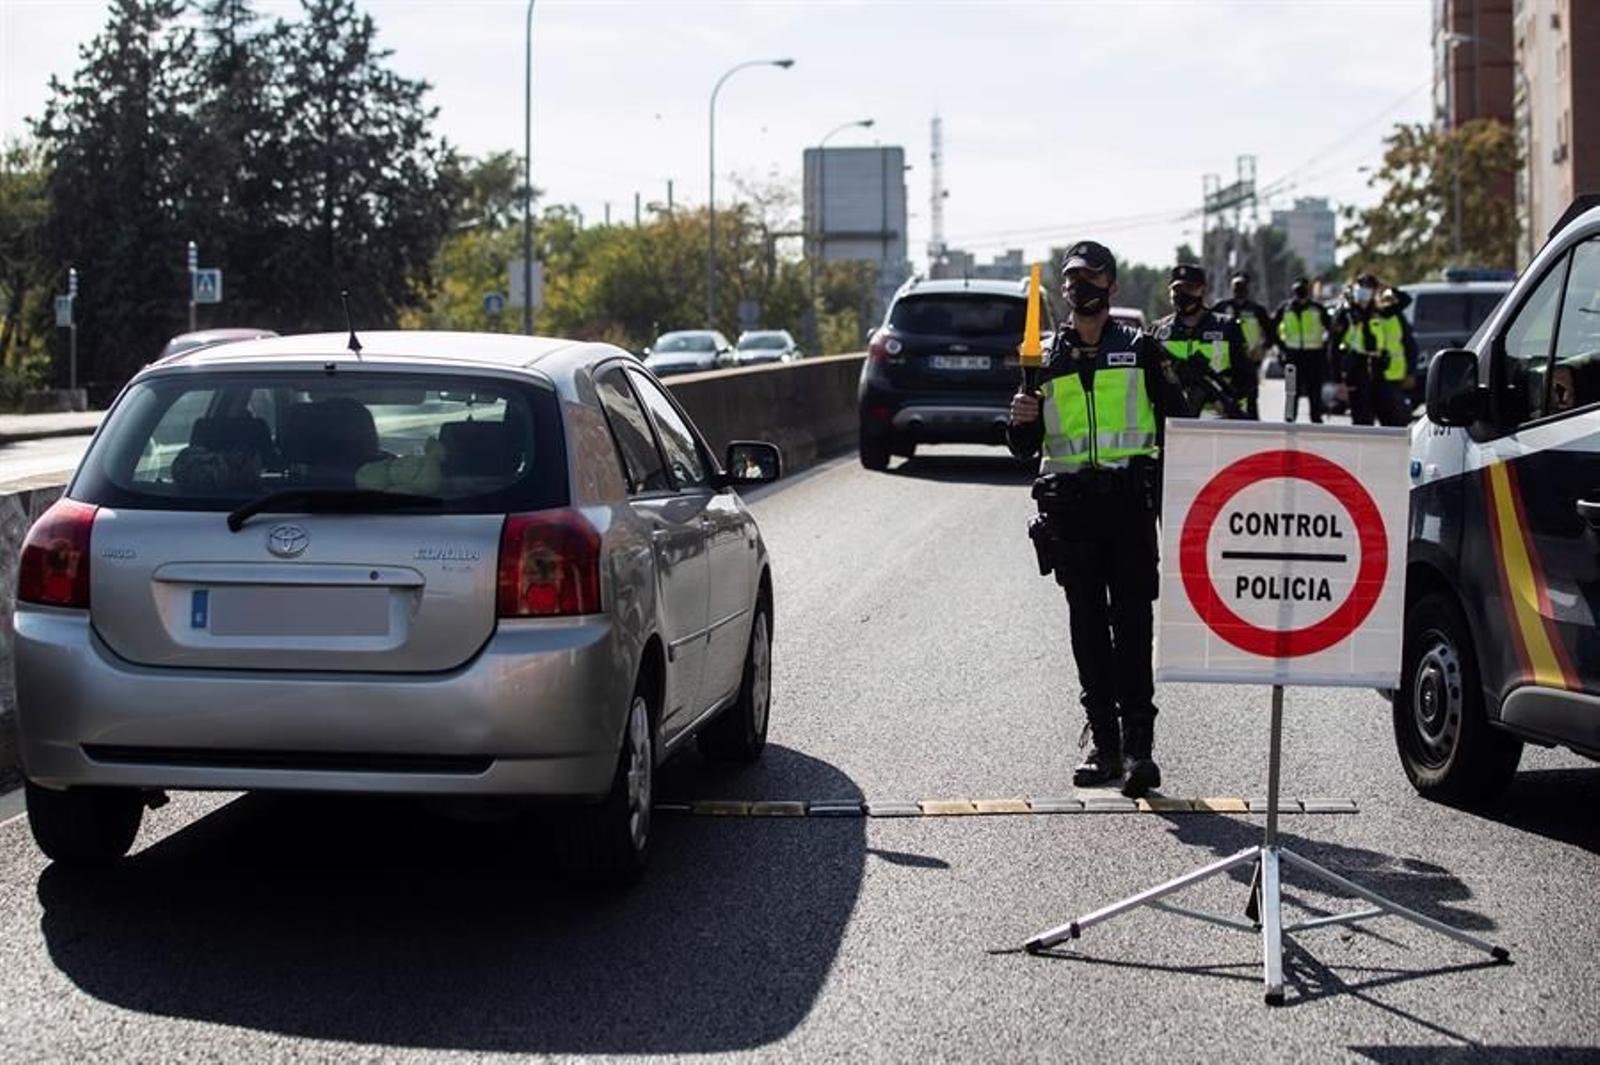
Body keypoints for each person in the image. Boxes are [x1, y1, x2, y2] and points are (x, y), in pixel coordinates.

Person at [1007, 241, 1193, 798]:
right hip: (1070, 513)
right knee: (1087, 629)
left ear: (1111, 284)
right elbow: (1023, 446)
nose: (1078, 286)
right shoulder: (1043, 358)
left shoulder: (1140, 349)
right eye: (1071, 278)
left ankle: (1139, 751)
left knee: (1132, 627)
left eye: (1090, 277)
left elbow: (1182, 423)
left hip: (1129, 508)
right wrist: (1020, 420)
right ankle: (1105, 746)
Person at [1151, 263, 1250, 418]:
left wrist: (1225, 399)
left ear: (1203, 290)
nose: (1182, 294)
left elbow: (1247, 378)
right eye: (1177, 289)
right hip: (1170, 423)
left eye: (1190, 288)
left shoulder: (1227, 327)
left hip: (1217, 423)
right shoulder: (1157, 331)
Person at [1332, 272, 1413, 426]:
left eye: (1369, 287)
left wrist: (1385, 288)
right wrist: (1339, 381)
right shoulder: (1346, 314)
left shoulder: (1379, 311)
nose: (1365, 291)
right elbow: (1333, 347)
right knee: (1362, 419)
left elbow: (1406, 300)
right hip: (1357, 368)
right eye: (1362, 286)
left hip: (1379, 368)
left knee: (1391, 418)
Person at [1212, 271, 1273, 419]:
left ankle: (1252, 425)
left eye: (1242, 286)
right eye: (1236, 286)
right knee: (1224, 396)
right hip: (1224, 360)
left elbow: (1271, 333)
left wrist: (1263, 348)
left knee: (1250, 397)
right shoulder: (1221, 307)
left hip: (1248, 360)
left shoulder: (1257, 310)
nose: (1239, 290)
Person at [1273, 276, 1333, 423]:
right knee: (1291, 391)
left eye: (1303, 290)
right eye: (1298, 290)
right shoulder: (1285, 308)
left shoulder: (1317, 309)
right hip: (1292, 356)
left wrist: (1324, 348)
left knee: (1314, 391)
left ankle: (1316, 420)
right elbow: (1272, 329)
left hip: (1314, 356)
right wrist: (1281, 347)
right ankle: (1289, 421)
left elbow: (1331, 330)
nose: (1300, 294)